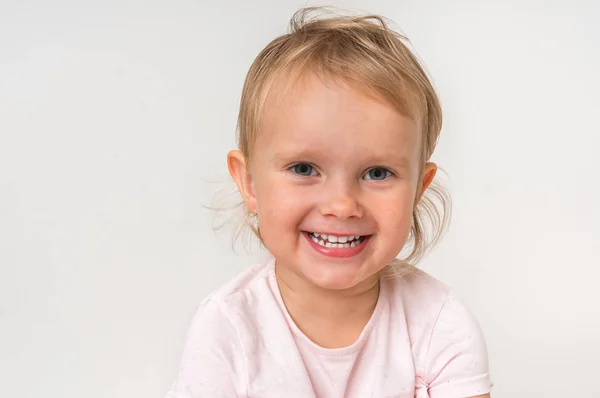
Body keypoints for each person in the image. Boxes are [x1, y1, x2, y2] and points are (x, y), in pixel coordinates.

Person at [166, 7, 492, 398]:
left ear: (418, 190)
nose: (341, 205)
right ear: (249, 182)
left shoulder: (438, 323)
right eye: (304, 168)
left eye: (377, 173)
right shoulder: (228, 327)